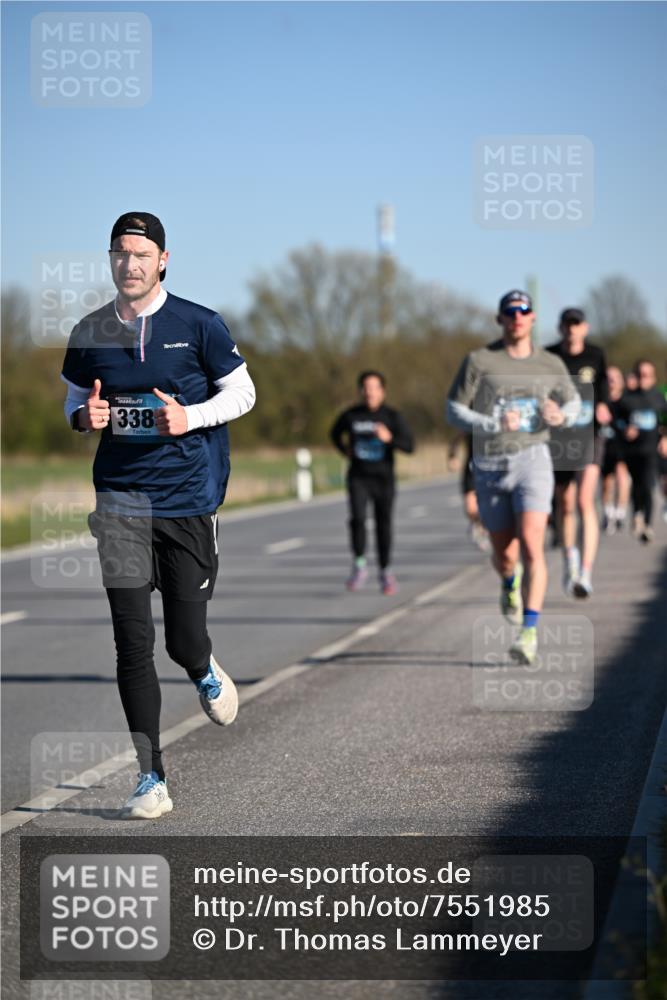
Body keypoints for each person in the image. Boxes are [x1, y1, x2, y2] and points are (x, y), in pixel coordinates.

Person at [61, 212, 256, 819]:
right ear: (111, 259)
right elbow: (75, 403)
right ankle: (151, 777)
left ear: (163, 261)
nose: (131, 263)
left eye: (142, 254)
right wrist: (84, 419)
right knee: (131, 642)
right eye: (121, 252)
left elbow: (244, 393)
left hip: (187, 501)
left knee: (182, 640)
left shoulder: (199, 324)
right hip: (120, 501)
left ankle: (202, 667)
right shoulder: (90, 330)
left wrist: (190, 416)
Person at [446, 290, 580, 665]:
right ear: (500, 319)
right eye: (510, 312)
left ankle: (529, 632)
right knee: (505, 554)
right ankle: (509, 582)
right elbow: (453, 410)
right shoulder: (479, 360)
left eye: (523, 311)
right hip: (490, 462)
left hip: (533, 459)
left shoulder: (549, 363)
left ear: (532, 318)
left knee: (533, 546)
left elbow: (573, 401)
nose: (517, 317)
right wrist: (490, 422)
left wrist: (562, 415)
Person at [546, 308, 611, 597]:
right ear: (560, 328)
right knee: (565, 502)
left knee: (585, 500)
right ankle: (569, 557)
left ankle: (585, 572)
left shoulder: (596, 355)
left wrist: (603, 405)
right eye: (567, 324)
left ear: (585, 328)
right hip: (560, 438)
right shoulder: (550, 356)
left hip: (589, 435)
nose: (572, 329)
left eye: (577, 324)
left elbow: (604, 387)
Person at [330, 371, 414, 595]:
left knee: (383, 524)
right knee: (357, 519)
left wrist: (390, 438)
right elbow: (334, 434)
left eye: (374, 388)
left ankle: (386, 571)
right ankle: (359, 565)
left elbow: (409, 445)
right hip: (358, 477)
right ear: (361, 391)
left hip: (383, 479)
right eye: (366, 388)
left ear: (382, 391)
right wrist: (345, 450)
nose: (370, 392)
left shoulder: (392, 416)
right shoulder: (351, 415)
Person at [616, 359, 667, 543]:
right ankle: (637, 512)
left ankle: (648, 525)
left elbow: (664, 420)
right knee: (637, 484)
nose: (644, 378)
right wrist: (625, 429)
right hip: (632, 450)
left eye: (647, 375)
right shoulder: (627, 398)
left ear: (653, 376)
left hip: (651, 449)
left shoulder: (659, 397)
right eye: (641, 374)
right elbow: (616, 419)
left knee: (647, 484)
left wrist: (665, 438)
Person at [447, 432, 490, 552]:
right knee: (470, 508)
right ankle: (478, 524)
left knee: (489, 507)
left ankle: (484, 528)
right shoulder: (472, 423)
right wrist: (452, 456)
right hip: (472, 469)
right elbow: (457, 437)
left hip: (492, 467)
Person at [600, 366, 630, 534]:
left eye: (615, 378)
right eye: (608, 378)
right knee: (607, 482)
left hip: (623, 447)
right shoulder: (601, 401)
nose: (611, 382)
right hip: (605, 446)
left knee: (622, 476)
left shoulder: (627, 401)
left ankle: (620, 512)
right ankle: (608, 513)